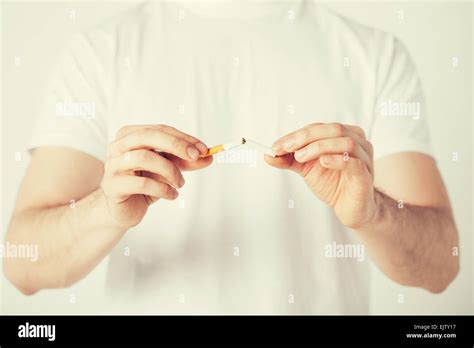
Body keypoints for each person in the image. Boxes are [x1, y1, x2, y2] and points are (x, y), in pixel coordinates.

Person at [4, 1, 459, 314]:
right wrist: (106, 210)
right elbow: (22, 264)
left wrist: (372, 212)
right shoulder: (99, 53)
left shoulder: (375, 55)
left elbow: (442, 266)